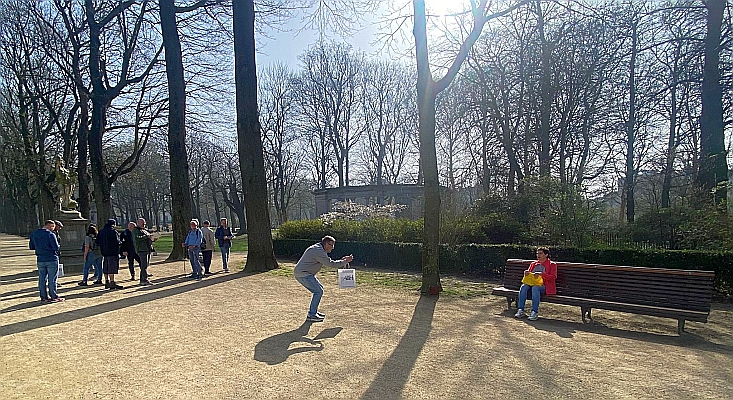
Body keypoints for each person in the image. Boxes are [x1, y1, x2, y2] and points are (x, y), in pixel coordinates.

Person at [294, 236, 353, 322]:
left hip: (305, 273)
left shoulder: (319, 248)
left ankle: (313, 312)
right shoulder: (318, 251)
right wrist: (345, 261)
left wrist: (343, 260)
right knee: (318, 291)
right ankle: (311, 314)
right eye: (331, 245)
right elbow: (331, 264)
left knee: (319, 289)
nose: (333, 248)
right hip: (303, 274)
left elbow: (329, 261)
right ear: (326, 244)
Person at [514, 246, 557, 321]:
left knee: (535, 287)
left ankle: (534, 312)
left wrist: (542, 274)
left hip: (544, 286)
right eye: (537, 253)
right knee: (524, 286)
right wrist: (527, 273)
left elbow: (553, 277)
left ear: (546, 255)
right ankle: (521, 310)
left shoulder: (552, 264)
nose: (538, 255)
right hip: (532, 284)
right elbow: (529, 275)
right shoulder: (533, 264)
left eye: (540, 253)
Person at [29, 220, 64, 302]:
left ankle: (43, 296)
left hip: (40, 258)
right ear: (50, 226)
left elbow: (31, 246)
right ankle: (53, 296)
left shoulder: (34, 234)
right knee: (52, 279)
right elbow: (56, 247)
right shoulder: (50, 234)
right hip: (51, 258)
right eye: (53, 227)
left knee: (42, 278)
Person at [98, 219, 123, 289]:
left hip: (104, 252)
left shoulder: (101, 232)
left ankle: (107, 281)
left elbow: (97, 242)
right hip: (112, 252)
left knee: (106, 267)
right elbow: (117, 242)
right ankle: (112, 282)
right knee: (112, 267)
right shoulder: (113, 231)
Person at [133, 218, 156, 285]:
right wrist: (147, 236)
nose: (144, 224)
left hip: (147, 249)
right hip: (141, 249)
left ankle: (143, 280)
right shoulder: (135, 230)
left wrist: (153, 238)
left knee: (145, 265)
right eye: (142, 223)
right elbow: (137, 238)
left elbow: (148, 238)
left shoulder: (144, 230)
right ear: (138, 223)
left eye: (144, 223)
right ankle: (144, 280)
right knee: (144, 266)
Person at [52, 220, 63, 288]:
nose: (60, 228)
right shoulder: (53, 233)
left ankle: (54, 282)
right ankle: (53, 282)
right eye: (59, 227)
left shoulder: (56, 232)